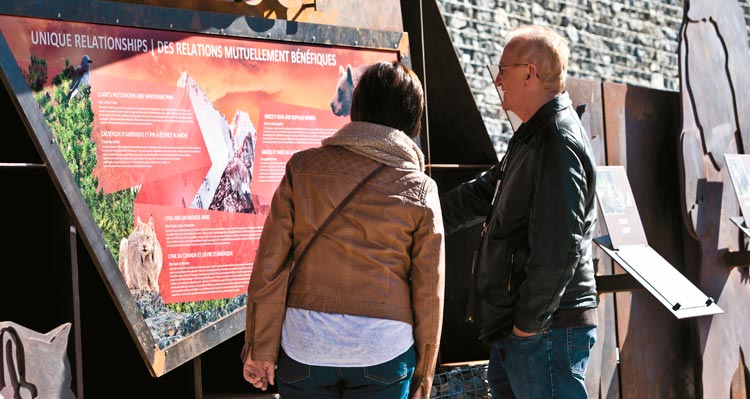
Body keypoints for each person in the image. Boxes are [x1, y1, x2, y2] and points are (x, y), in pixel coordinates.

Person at [242, 61, 445, 399]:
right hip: (384, 349)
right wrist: (424, 376)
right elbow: (429, 291)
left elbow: (270, 265)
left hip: (306, 346)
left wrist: (260, 348)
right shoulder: (421, 188)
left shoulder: (302, 167)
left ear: (358, 106)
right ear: (413, 119)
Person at [440, 25, 598, 398]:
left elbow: (560, 247)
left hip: (544, 331)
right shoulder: (533, 136)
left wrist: (527, 326)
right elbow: (483, 193)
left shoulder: (557, 141)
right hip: (527, 329)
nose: (497, 80)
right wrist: (417, 213)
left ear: (529, 73)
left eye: (503, 69)